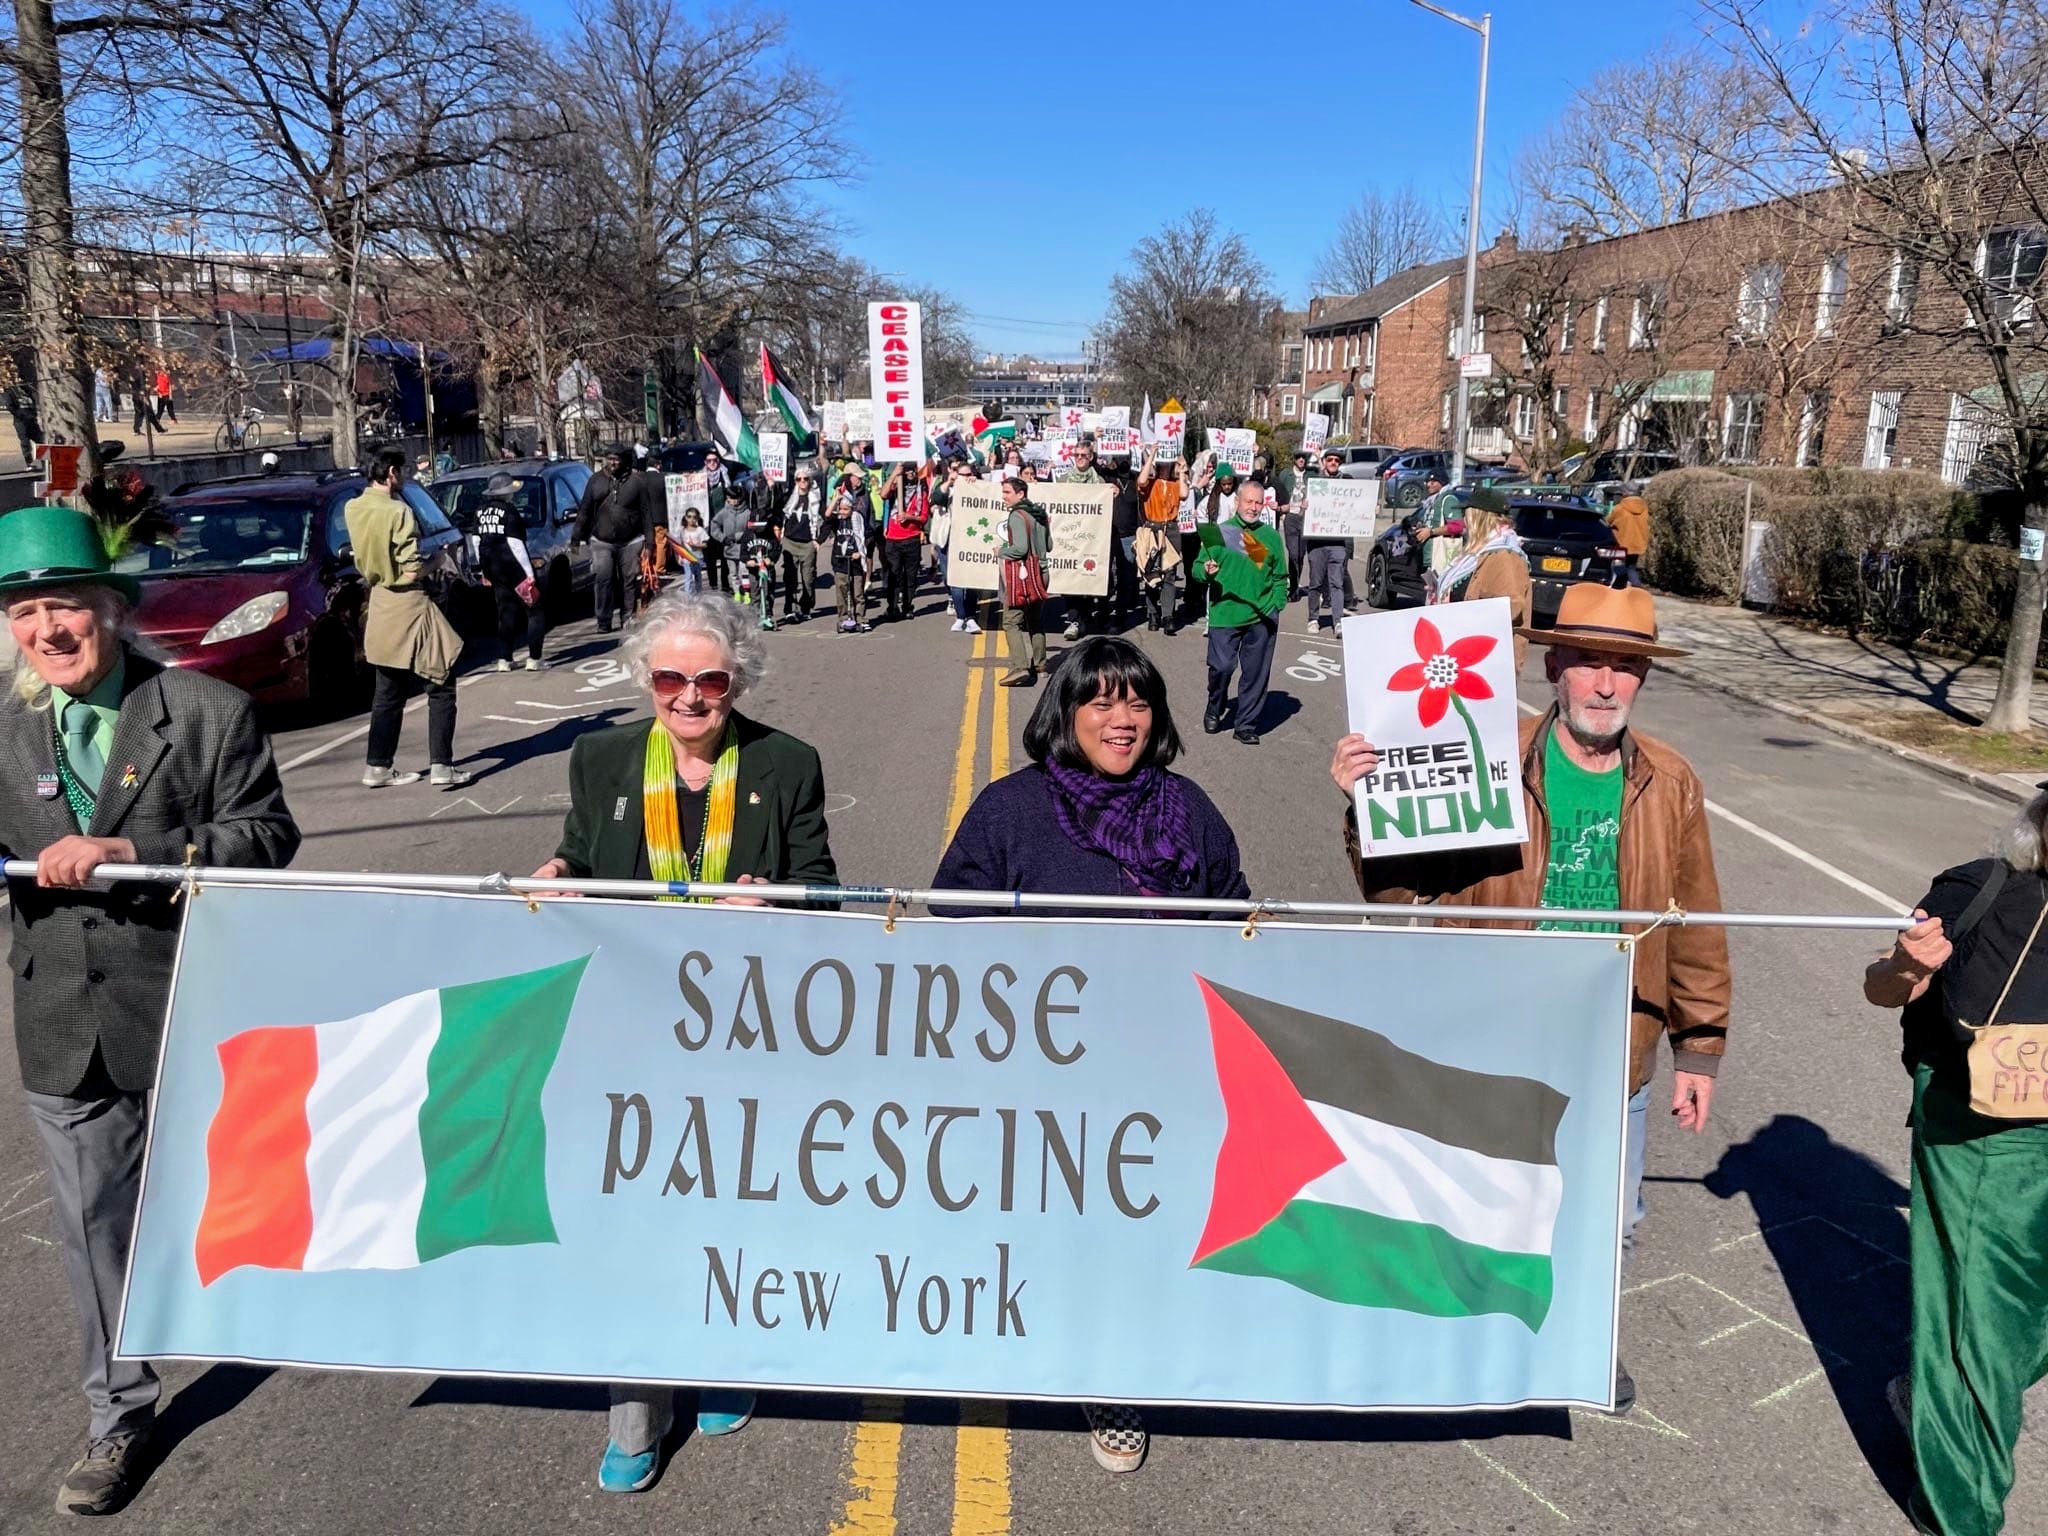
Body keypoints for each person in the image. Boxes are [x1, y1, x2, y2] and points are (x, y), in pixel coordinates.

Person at [1332, 582, 1729, 1415]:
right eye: (1590, 664)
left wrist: (1701, 1047)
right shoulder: (1487, 754)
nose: (1607, 685)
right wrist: (1366, 805)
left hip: (1616, 1040)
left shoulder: (1674, 782)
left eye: (1626, 668)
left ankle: (1583, 1344)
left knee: (1610, 1219)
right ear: (1554, 667)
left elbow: (1694, 921)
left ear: (1644, 680)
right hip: (1498, 1034)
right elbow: (1399, 895)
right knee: (1482, 1201)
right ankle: (1465, 1342)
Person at [0, 504, 300, 1515]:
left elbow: (267, 838)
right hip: (64, 1026)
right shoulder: (2, 730)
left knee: (244, 1199)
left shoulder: (204, 712)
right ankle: (115, 1417)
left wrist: (142, 856)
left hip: (193, 1005)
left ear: (112, 612)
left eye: (68, 607)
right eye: (28, 612)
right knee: (92, 1232)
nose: (49, 630)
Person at [531, 590, 837, 1495]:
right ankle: (636, 1406)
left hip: (744, 1026)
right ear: (645, 679)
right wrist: (558, 874)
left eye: (710, 679)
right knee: (633, 1211)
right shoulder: (602, 759)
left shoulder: (787, 764)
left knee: (729, 1200)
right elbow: (581, 858)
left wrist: (777, 896)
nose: (691, 696)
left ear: (737, 680)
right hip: (627, 1028)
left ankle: (727, 1352)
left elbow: (820, 882)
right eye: (671, 678)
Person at [934, 635, 1250, 1477]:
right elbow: (950, 927)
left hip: (1159, 1069)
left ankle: (1112, 1377)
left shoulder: (1189, 810)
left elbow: (1237, 923)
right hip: (1042, 1071)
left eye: (1139, 702)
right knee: (1040, 1223)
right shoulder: (1010, 810)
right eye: (1102, 701)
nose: (1122, 720)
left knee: (1136, 1229)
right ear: (1065, 713)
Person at [1862, 790, 2048, 1536]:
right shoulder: (1979, 889)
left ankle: (1933, 1395)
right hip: (1979, 1136)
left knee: (2014, 1326)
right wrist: (1906, 966)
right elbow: (1881, 987)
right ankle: (1961, 1508)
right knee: (1979, 1325)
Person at [347, 448, 473, 788]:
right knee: (442, 679)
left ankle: (378, 766)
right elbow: (411, 567)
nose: (404, 477)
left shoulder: (353, 507)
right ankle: (442, 766)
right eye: (401, 471)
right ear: (391, 473)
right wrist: (439, 560)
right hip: (410, 602)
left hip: (380, 601)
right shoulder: (398, 510)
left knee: (388, 688)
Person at [1197, 479, 1289, 745]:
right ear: (1237, 502)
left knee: (1256, 672)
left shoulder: (1270, 536)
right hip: (1225, 613)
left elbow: (1280, 575)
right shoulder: (1221, 533)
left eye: (1258, 502)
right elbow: (1197, 568)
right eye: (1248, 501)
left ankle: (1246, 724)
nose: (1253, 507)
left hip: (1261, 615)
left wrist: (1277, 603)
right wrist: (1205, 571)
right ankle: (1215, 705)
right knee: (1222, 666)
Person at [1431, 485, 1532, 674]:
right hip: (1461, 658)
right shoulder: (1479, 553)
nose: (1464, 523)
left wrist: (1463, 617)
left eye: (1467, 516)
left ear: (1479, 517)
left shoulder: (1505, 555)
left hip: (1485, 666)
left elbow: (1511, 607)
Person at [469, 471, 548, 672]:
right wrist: (529, 573)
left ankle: (505, 659)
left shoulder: (480, 511)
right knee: (535, 611)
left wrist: (485, 570)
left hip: (493, 569)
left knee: (506, 611)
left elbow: (476, 541)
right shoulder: (510, 512)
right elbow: (516, 545)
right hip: (514, 569)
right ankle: (534, 658)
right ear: (506, 493)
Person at [572, 447, 649, 633]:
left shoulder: (636, 482)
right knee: (603, 579)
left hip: (630, 540)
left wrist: (650, 543)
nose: (612, 462)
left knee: (629, 580)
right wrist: (576, 537)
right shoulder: (595, 481)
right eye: (609, 459)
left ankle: (627, 617)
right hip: (601, 540)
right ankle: (603, 620)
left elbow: (647, 513)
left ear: (623, 461)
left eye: (616, 459)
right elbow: (585, 510)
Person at [996, 475, 1049, 687]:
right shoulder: (1039, 514)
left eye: (1007, 492)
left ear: (1021, 494)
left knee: (1011, 621)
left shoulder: (1017, 516)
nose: (1004, 497)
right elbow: (1050, 545)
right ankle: (1041, 666)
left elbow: (1020, 549)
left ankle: (1019, 668)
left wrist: (1001, 551)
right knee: (1035, 621)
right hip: (1042, 573)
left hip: (1024, 576)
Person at [1060, 439, 1106, 641]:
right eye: (1076, 455)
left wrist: (1111, 494)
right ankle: (1073, 620)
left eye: (1084, 455)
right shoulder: (1063, 481)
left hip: (1091, 539)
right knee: (1070, 580)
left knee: (1087, 579)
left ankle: (1085, 615)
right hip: (1069, 538)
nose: (1079, 458)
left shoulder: (1100, 483)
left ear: (1091, 457)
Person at [1134, 451, 1184, 634]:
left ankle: (1168, 616)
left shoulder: (1174, 484)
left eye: (1168, 462)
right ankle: (1153, 613)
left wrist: (1183, 469)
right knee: (1152, 573)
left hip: (1170, 529)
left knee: (1170, 572)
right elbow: (1140, 481)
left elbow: (1185, 493)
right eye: (1162, 462)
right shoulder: (1149, 484)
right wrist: (1151, 456)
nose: (1165, 465)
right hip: (1152, 529)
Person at [932, 458, 983, 634]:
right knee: (952, 579)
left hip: (971, 542)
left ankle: (970, 617)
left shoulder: (980, 488)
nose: (966, 478)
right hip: (949, 541)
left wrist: (977, 486)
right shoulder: (950, 489)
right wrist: (950, 482)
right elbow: (937, 498)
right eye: (963, 475)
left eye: (969, 474)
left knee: (970, 581)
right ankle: (960, 616)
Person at [1301, 449, 1350, 631]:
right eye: (1330, 459)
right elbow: (1301, 510)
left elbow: (1359, 502)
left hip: (1337, 542)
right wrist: (1304, 507)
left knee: (1337, 583)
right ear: (1324, 461)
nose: (1333, 462)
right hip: (1317, 541)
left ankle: (1338, 621)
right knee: (1316, 582)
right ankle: (1313, 618)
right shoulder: (1314, 482)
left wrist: (1371, 509)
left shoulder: (1347, 482)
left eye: (1337, 460)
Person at [824, 465, 874, 633]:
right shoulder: (837, 520)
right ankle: (843, 617)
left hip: (855, 560)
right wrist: (836, 499)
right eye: (842, 509)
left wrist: (860, 553)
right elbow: (827, 515)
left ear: (852, 509)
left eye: (846, 509)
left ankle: (860, 617)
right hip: (840, 561)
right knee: (842, 591)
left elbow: (864, 535)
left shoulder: (857, 519)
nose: (843, 512)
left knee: (858, 592)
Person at [876, 462, 928, 622]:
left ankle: (907, 606)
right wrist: (894, 474)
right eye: (907, 470)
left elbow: (924, 517)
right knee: (894, 575)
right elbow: (883, 494)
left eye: (913, 470)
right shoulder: (896, 488)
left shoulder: (921, 492)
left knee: (910, 576)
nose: (910, 473)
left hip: (911, 539)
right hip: (893, 539)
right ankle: (892, 607)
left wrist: (909, 517)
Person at [778, 465, 824, 622]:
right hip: (789, 541)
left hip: (807, 544)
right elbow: (777, 509)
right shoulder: (789, 498)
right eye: (799, 479)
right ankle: (789, 609)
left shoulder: (816, 499)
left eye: (805, 479)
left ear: (810, 481)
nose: (802, 482)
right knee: (789, 578)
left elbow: (827, 521)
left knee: (808, 579)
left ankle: (806, 607)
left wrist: (819, 540)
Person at [1278, 450, 1309, 596]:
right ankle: (1293, 588)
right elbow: (1278, 491)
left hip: (1305, 517)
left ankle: (1295, 585)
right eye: (1298, 457)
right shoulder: (1286, 474)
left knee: (1301, 554)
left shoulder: (1311, 475)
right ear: (1294, 459)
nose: (1301, 460)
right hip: (1290, 516)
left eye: (1304, 457)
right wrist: (1281, 512)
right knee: (1293, 553)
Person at [1607, 492, 1649, 587]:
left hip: (1621, 542)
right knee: (1631, 567)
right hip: (1637, 543)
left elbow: (1608, 521)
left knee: (1618, 566)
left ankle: (1623, 587)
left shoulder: (1620, 508)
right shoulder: (1644, 508)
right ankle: (1631, 586)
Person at [677, 507, 708, 594]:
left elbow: (705, 544)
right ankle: (688, 596)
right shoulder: (683, 531)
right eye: (689, 517)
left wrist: (696, 545)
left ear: (697, 518)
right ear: (686, 518)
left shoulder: (700, 530)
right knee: (688, 576)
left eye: (694, 517)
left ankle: (699, 593)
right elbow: (681, 545)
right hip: (687, 558)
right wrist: (680, 557)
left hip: (698, 558)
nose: (692, 519)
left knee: (698, 576)